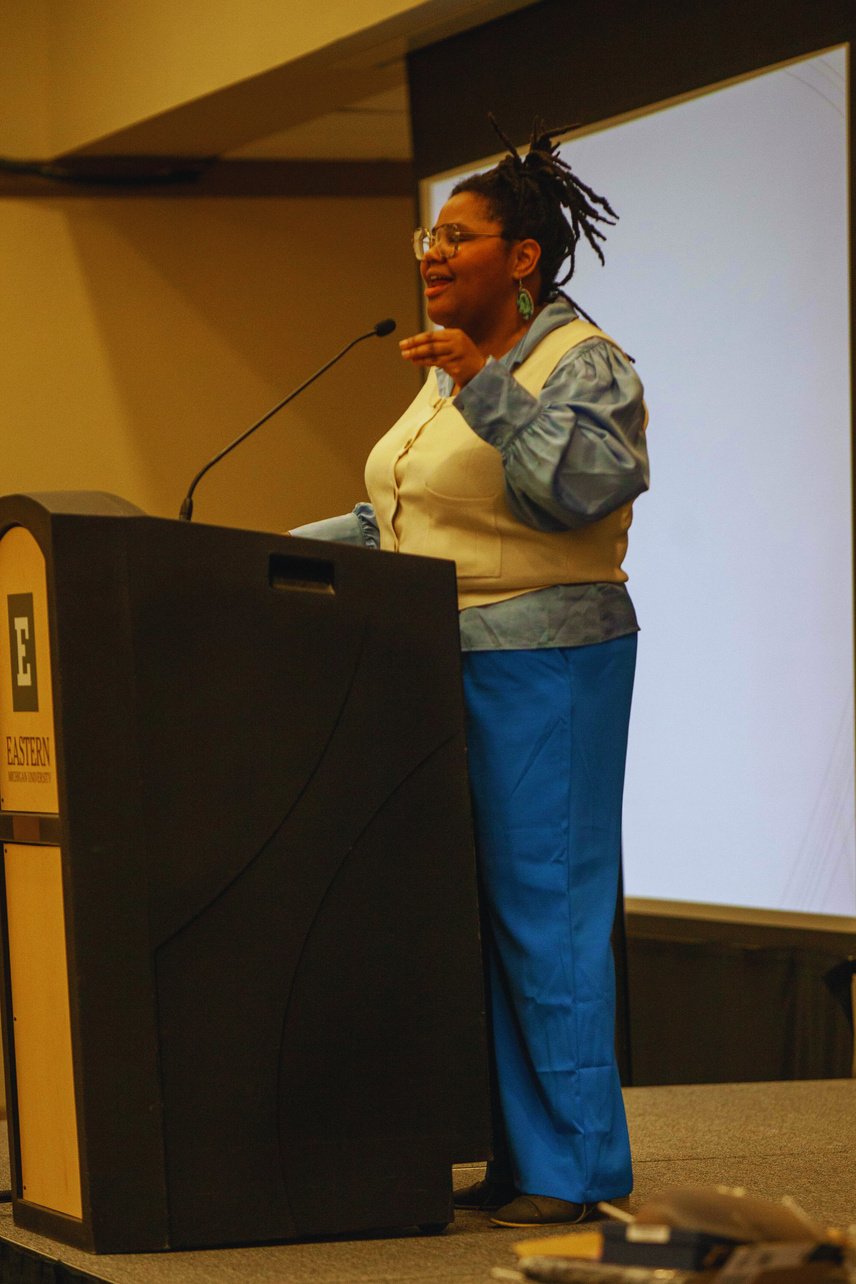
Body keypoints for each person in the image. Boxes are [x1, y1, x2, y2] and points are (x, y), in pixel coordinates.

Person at [291, 117, 649, 1229]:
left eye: (457, 236)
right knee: (483, 920)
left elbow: (579, 490)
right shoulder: (457, 369)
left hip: (550, 666)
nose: (432, 256)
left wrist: (487, 383)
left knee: (549, 913)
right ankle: (518, 1153)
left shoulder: (576, 360)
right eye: (427, 239)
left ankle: (575, 1167)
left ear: (523, 257)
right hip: (447, 666)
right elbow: (407, 510)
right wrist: (277, 554)